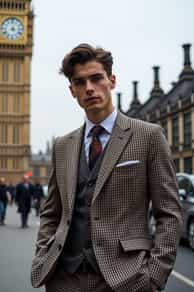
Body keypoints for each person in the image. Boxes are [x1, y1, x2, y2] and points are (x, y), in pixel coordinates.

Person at [31, 44, 183, 292]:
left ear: (112, 80)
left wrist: (154, 277)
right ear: (72, 91)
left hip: (125, 280)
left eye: (96, 78)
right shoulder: (62, 146)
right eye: (80, 82)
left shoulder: (148, 136)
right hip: (63, 279)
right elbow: (51, 212)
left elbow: (169, 213)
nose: (89, 88)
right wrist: (42, 254)